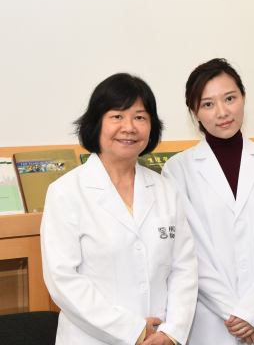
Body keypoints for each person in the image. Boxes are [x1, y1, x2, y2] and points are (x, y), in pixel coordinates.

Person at [40, 73, 198, 345]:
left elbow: (184, 268)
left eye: (140, 117)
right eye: (117, 116)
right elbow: (63, 281)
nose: (129, 127)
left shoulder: (165, 189)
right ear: (96, 123)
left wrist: (171, 332)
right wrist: (134, 329)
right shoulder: (66, 192)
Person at [162, 58, 254, 345]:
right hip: (213, 321)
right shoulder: (177, 171)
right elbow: (191, 254)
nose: (222, 112)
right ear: (194, 113)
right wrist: (239, 317)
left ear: (244, 98)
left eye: (230, 98)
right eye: (208, 104)